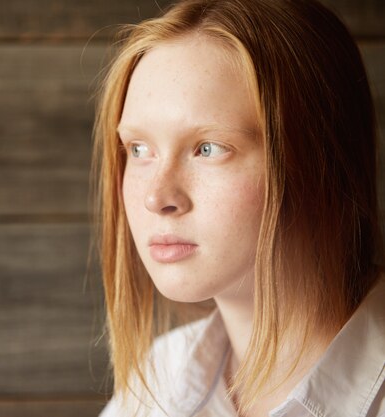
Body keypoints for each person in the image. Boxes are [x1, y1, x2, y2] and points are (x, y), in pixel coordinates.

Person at [91, 0, 385, 415]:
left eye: (208, 148)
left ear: (320, 162)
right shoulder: (158, 381)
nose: (156, 197)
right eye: (139, 149)